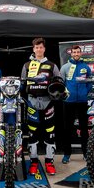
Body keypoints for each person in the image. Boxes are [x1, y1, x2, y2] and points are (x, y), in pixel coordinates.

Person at [21, 37, 64, 175]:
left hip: (48, 102)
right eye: (36, 47)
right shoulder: (27, 65)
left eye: (41, 47)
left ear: (44, 49)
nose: (39, 49)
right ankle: (33, 162)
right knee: (32, 133)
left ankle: (49, 162)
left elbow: (60, 82)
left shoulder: (52, 65)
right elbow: (22, 84)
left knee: (49, 133)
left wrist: (62, 92)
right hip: (32, 102)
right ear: (33, 49)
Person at [60, 45, 94, 163]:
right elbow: (61, 83)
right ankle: (67, 154)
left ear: (81, 53)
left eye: (78, 52)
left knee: (84, 129)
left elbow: (90, 82)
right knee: (67, 129)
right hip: (68, 101)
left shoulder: (86, 67)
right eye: (74, 52)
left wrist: (85, 92)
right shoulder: (65, 67)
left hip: (82, 101)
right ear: (71, 53)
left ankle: (86, 153)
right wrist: (67, 94)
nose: (76, 53)